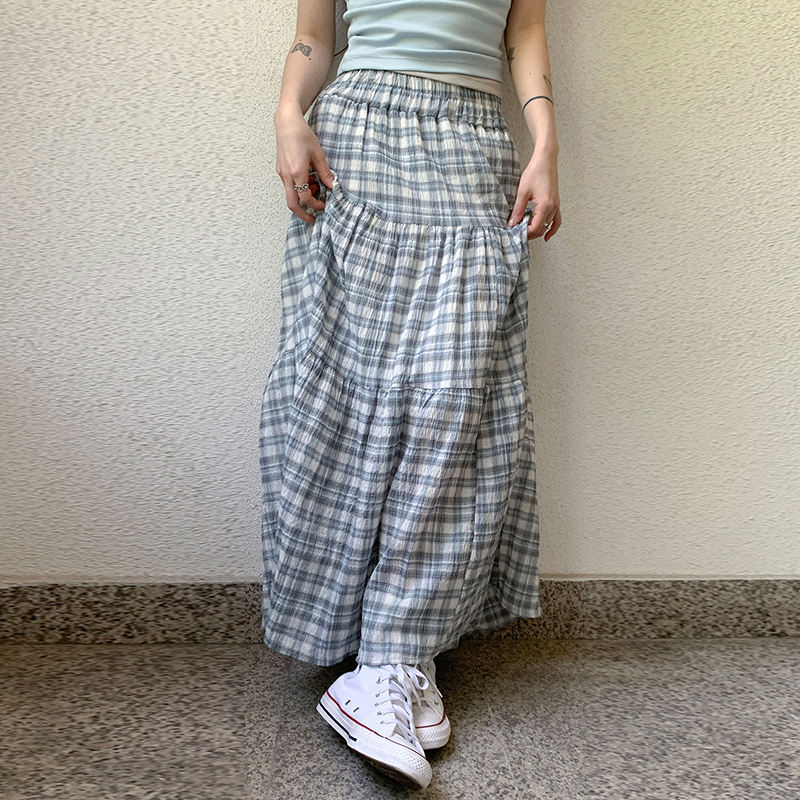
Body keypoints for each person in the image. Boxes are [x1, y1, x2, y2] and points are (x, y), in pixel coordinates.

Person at [260, 0, 560, 788]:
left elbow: (524, 31)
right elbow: (315, 36)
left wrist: (545, 144)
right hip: (357, 133)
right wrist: (289, 114)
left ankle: (392, 653)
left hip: (474, 137)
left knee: (457, 408)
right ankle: (386, 657)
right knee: (345, 392)